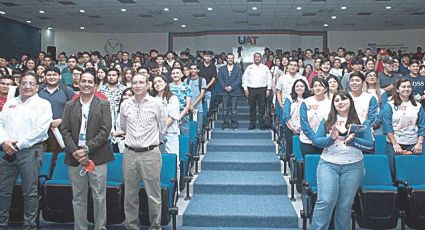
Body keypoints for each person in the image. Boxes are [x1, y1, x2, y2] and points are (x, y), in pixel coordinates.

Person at [310, 91, 373, 229]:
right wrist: (330, 139)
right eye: (337, 100)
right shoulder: (327, 119)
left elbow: (369, 145)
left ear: (350, 101)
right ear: (333, 104)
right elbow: (316, 141)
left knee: (345, 204)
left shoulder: (362, 120)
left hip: (353, 166)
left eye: (344, 99)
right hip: (328, 165)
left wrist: (354, 141)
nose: (340, 102)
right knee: (325, 201)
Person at [61, 69, 114, 230]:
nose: (86, 84)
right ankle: (80, 227)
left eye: (90, 82)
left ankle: (100, 227)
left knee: (99, 196)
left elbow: (105, 131)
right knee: (78, 196)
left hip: (97, 156)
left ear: (95, 85)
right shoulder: (70, 104)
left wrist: (87, 148)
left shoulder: (103, 104)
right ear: (78, 83)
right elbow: (65, 130)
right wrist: (75, 151)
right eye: (83, 81)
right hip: (74, 156)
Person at [0, 72, 52, 229]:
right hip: (7, 151)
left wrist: (18, 145)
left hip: (30, 152)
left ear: (37, 87)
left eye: (31, 83)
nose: (27, 86)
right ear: (19, 84)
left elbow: (41, 131)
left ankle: (29, 226)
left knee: (30, 192)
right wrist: (4, 142)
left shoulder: (43, 104)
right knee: (3, 191)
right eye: (24, 83)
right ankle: (2, 224)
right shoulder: (10, 103)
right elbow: (1, 123)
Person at [120, 73, 166, 230]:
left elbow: (162, 128)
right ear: (131, 85)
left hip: (150, 154)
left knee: (153, 194)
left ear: (148, 85)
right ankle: (132, 226)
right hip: (130, 153)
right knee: (130, 195)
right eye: (135, 82)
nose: (138, 85)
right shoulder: (125, 104)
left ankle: (155, 226)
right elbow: (124, 127)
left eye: (141, 82)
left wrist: (150, 142)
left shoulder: (157, 104)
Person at [383, 78, 425, 173]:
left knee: (413, 172)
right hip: (394, 143)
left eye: (409, 87)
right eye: (403, 87)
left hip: (414, 144)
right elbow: (387, 126)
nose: (406, 89)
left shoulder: (418, 106)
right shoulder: (389, 105)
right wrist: (395, 144)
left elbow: (422, 125)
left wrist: (419, 143)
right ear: (397, 89)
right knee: (394, 172)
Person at [38, 66, 75, 156]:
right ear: (44, 76)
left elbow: (74, 110)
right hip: (40, 130)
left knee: (58, 157)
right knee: (40, 157)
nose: (52, 77)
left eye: (54, 75)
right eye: (49, 75)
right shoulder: (38, 90)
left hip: (60, 130)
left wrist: (62, 120)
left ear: (59, 76)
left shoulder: (67, 90)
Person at [300, 78, 332, 156]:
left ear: (325, 89)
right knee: (309, 166)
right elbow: (303, 122)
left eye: (320, 86)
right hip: (307, 141)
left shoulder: (331, 103)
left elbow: (331, 121)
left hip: (324, 141)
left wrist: (319, 140)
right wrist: (314, 139)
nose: (317, 88)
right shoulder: (306, 102)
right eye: (315, 86)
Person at [242, 52, 272, 130]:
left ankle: (262, 124)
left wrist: (269, 89)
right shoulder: (249, 67)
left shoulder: (265, 67)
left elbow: (269, 79)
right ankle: (252, 123)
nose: (257, 58)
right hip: (251, 89)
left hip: (262, 89)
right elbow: (244, 78)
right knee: (252, 107)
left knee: (262, 107)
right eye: (256, 57)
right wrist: (245, 89)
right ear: (253, 58)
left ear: (261, 58)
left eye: (258, 57)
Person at [282, 79, 310, 158]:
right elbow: (286, 115)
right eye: (297, 86)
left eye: (302, 86)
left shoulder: (309, 99)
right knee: (292, 149)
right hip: (291, 127)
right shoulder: (289, 98)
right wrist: (292, 127)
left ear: (305, 88)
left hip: (306, 129)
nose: (299, 88)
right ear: (294, 88)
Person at [217, 53, 243, 130]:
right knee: (225, 109)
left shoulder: (238, 69)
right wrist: (225, 87)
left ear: (233, 59)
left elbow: (239, 80)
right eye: (229, 58)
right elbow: (220, 79)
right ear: (226, 59)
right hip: (224, 91)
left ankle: (234, 125)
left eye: (232, 58)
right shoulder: (221, 69)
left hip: (234, 91)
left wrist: (231, 87)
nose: (230, 59)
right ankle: (225, 124)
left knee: (234, 109)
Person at [169, 67, 192, 135]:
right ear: (171, 75)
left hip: (184, 116)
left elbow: (188, 105)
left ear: (182, 75)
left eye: (177, 73)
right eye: (173, 73)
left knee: (184, 138)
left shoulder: (187, 87)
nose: (175, 75)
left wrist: (179, 117)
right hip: (170, 116)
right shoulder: (168, 87)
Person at [111, 88, 134, 153]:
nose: (126, 97)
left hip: (130, 141)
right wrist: (114, 133)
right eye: (125, 95)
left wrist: (120, 132)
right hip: (115, 140)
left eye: (130, 95)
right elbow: (111, 126)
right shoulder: (115, 110)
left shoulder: (137, 111)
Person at [187, 64, 206, 139]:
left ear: (198, 70)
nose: (193, 70)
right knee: (189, 128)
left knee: (198, 128)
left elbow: (202, 94)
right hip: (188, 108)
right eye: (191, 69)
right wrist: (189, 105)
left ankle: (199, 147)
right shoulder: (186, 80)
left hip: (198, 107)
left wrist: (193, 104)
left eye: (194, 69)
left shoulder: (202, 80)